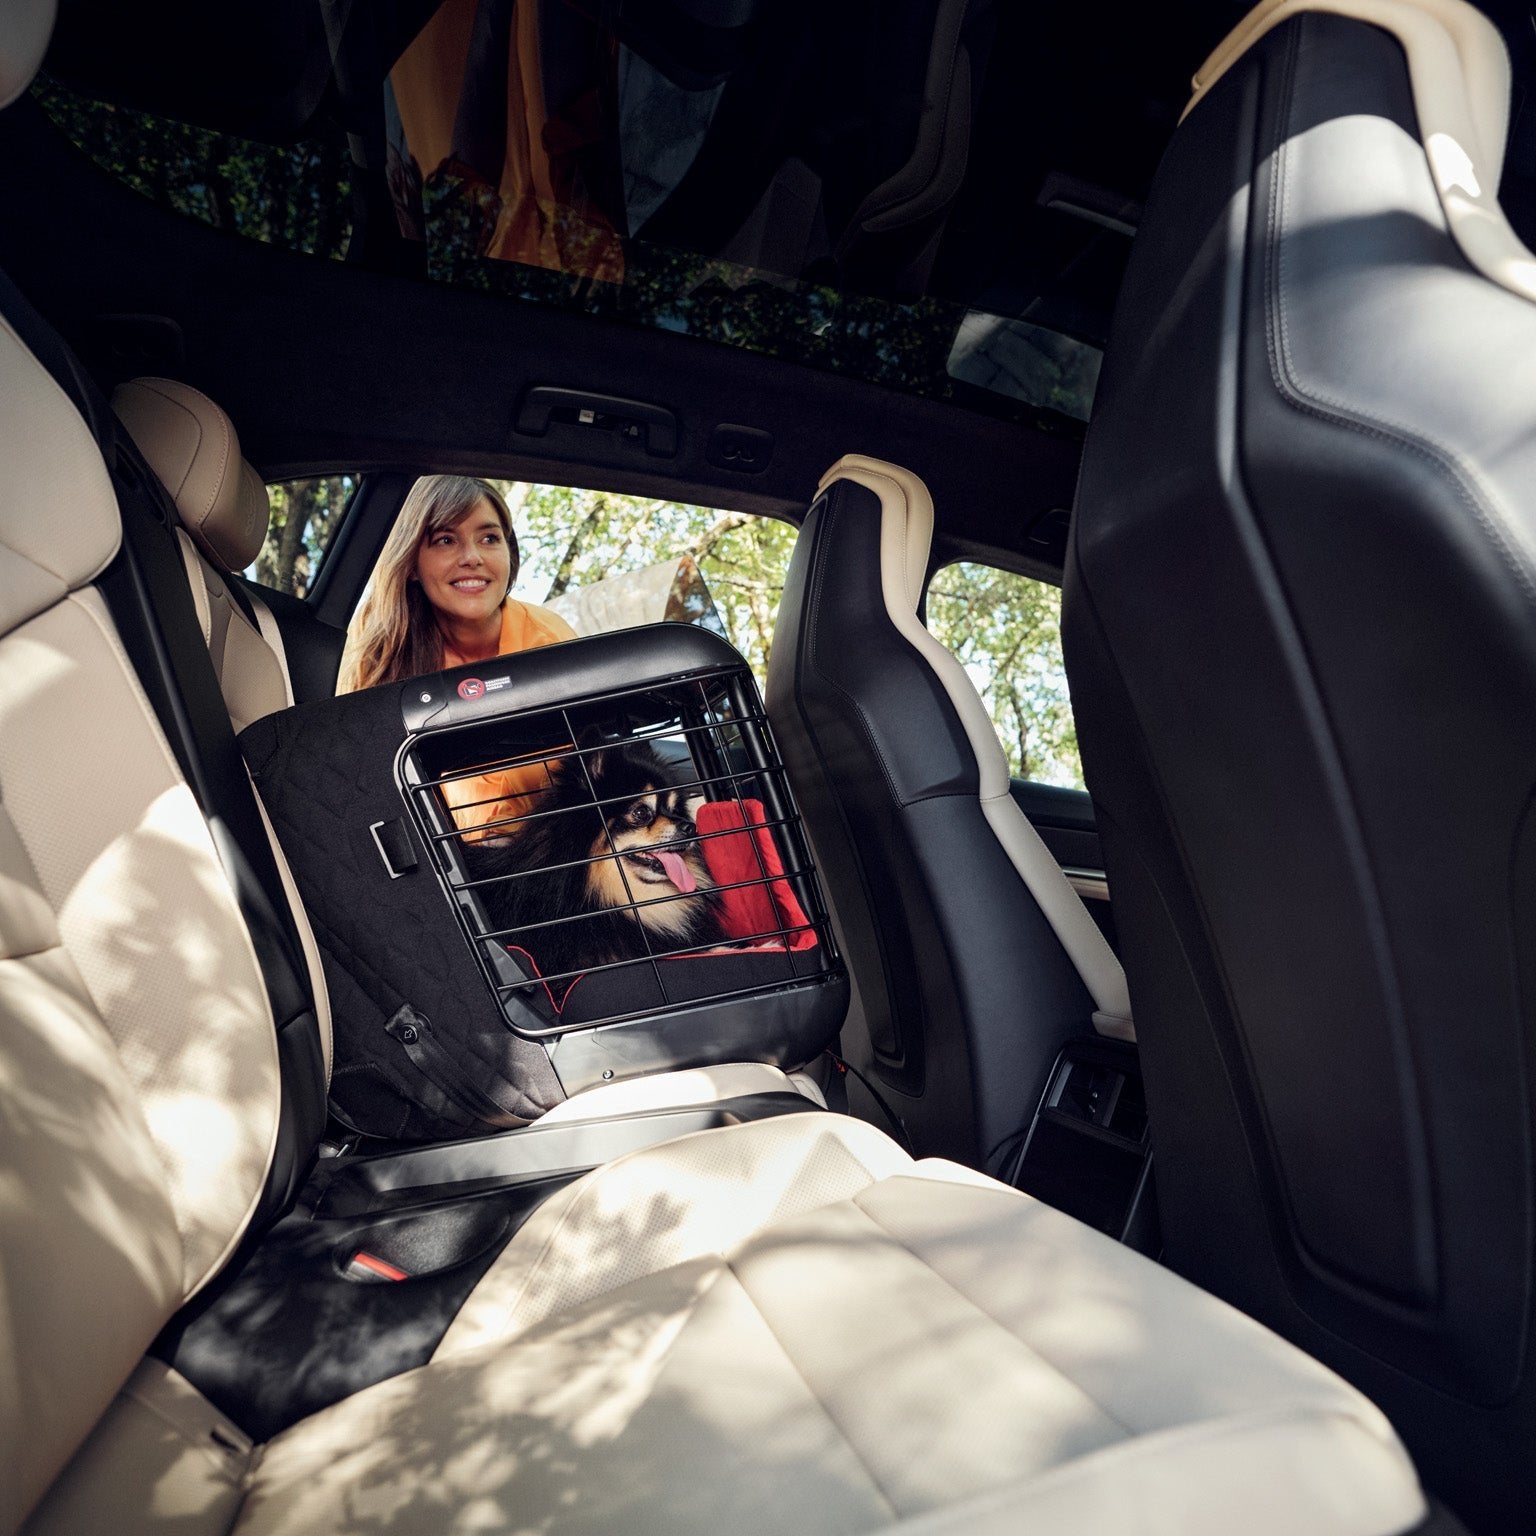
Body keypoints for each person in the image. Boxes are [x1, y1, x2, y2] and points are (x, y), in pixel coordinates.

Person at [338, 474, 577, 837]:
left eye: (489, 538)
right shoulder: (381, 647)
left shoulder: (549, 639)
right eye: (446, 540)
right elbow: (358, 781)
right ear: (412, 562)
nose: (472, 557)